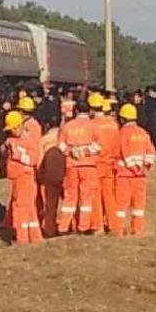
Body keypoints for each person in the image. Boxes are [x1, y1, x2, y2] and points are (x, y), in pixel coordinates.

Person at [57, 99, 101, 234]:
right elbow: (98, 147)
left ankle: (63, 227)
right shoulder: (93, 126)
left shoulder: (68, 126)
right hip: (88, 165)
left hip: (71, 165)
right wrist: (84, 152)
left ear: (75, 111)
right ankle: (83, 226)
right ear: (90, 111)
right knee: (86, 197)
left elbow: (60, 145)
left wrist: (70, 152)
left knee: (69, 196)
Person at [114, 103, 156, 236]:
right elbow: (151, 152)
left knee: (121, 206)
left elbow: (122, 152)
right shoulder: (143, 133)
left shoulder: (122, 133)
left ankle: (118, 230)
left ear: (122, 118)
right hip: (141, 177)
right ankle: (137, 230)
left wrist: (132, 167)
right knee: (138, 206)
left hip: (125, 175)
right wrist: (144, 168)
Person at [1, 111, 41, 245]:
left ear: (19, 126)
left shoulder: (28, 140)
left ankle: (22, 237)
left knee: (21, 207)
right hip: (18, 177)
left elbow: (33, 160)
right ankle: (35, 236)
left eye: (12, 129)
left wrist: (17, 154)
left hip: (24, 177)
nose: (11, 132)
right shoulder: (12, 140)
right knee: (28, 207)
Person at [89, 94, 121, 235]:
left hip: (96, 164)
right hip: (110, 164)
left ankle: (98, 226)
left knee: (95, 196)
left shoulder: (92, 125)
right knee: (109, 195)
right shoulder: (114, 125)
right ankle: (114, 225)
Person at [37, 117, 65, 238]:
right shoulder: (63, 137)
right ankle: (69, 225)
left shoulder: (43, 140)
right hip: (64, 173)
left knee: (50, 204)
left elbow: (40, 159)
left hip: (48, 174)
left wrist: (39, 176)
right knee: (70, 201)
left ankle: (49, 229)